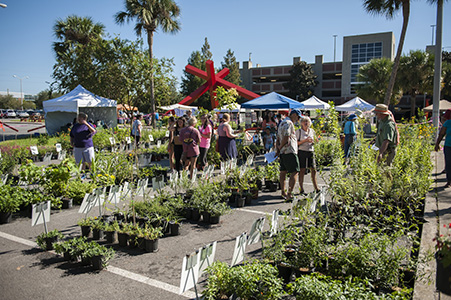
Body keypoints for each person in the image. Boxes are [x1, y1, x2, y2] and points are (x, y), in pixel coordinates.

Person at [276, 109, 302, 201]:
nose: (298, 119)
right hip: (289, 150)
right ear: (293, 115)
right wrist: (280, 147)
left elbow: (278, 137)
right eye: (298, 117)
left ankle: (283, 191)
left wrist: (278, 148)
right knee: (295, 171)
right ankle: (289, 194)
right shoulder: (289, 123)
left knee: (283, 172)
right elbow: (286, 137)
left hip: (283, 151)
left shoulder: (282, 123)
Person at [296, 116, 319, 195]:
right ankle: (301, 188)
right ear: (301, 123)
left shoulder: (312, 131)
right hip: (302, 151)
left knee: (314, 169)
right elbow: (296, 143)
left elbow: (316, 140)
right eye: (304, 121)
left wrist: (314, 141)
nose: (306, 123)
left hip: (311, 151)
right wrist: (305, 140)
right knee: (302, 170)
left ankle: (316, 187)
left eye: (307, 121)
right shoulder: (298, 131)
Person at [435, 109, 451, 188]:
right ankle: (449, 181)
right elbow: (441, 134)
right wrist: (437, 144)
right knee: (448, 163)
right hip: (448, 146)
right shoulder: (448, 123)